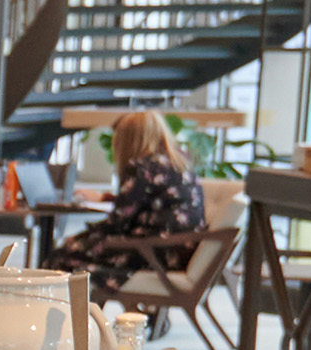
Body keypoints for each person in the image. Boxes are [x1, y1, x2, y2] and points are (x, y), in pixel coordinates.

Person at [47, 111, 205, 284]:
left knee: (59, 259)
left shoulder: (142, 168)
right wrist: (108, 199)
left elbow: (117, 224)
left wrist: (78, 238)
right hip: (177, 253)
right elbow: (149, 206)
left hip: (150, 255)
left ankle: (65, 310)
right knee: (76, 251)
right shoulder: (179, 165)